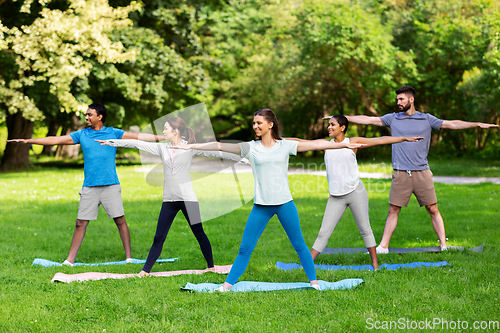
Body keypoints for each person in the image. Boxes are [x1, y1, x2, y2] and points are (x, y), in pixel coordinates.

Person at [173, 109, 366, 291]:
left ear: (271, 124)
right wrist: (190, 146)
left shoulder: (285, 145)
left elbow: (316, 144)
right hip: (261, 206)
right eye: (254, 123)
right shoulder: (251, 147)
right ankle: (226, 286)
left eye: (259, 123)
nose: (255, 126)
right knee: (244, 249)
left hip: (284, 204)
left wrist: (343, 144)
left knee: (299, 245)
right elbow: (219, 145)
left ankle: (314, 282)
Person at [333, 86, 499, 253]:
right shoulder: (393, 119)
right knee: (393, 209)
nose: (398, 102)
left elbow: (452, 124)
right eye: (397, 99)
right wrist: (343, 118)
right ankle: (383, 247)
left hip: (422, 172)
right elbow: (368, 119)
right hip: (401, 172)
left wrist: (477, 124)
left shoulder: (427, 119)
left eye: (401, 99)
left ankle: (444, 246)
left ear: (411, 100)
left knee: (433, 208)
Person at [8, 102, 164, 265]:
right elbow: (55, 139)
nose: (86, 117)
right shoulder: (81, 134)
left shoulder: (113, 133)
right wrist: (27, 141)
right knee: (80, 222)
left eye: (90, 114)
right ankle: (69, 261)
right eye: (86, 114)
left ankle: (129, 258)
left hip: (110, 184)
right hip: (89, 186)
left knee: (120, 220)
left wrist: (163, 137)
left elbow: (139, 137)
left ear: (100, 117)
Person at [97, 117, 248, 275]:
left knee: (199, 233)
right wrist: (110, 142)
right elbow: (136, 143)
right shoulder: (163, 148)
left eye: (166, 129)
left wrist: (242, 159)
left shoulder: (190, 147)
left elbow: (215, 153)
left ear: (175, 131)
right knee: (159, 237)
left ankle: (211, 266)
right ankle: (145, 271)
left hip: (188, 199)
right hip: (169, 200)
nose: (163, 132)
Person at [288, 115, 423, 269]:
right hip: (336, 195)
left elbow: (380, 140)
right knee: (323, 233)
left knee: (365, 229)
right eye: (329, 125)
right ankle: (306, 265)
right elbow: (300, 141)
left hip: (356, 192)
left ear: (342, 127)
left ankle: (375, 265)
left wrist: (405, 138)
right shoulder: (326, 145)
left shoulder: (352, 143)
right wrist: (276, 138)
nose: (329, 127)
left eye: (333, 125)